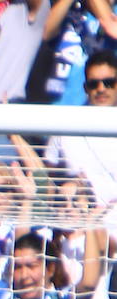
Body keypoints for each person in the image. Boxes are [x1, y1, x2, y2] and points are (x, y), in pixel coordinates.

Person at [43, 50, 117, 207]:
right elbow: (49, 180)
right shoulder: (66, 128)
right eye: (93, 84)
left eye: (109, 82)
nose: (101, 89)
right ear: (85, 88)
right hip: (77, 222)